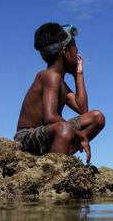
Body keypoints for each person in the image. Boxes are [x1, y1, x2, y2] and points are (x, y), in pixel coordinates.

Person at [15, 23, 105, 164]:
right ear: (65, 52)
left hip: (48, 134)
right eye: (76, 51)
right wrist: (79, 134)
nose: (78, 55)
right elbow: (51, 117)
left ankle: (60, 154)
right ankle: (56, 165)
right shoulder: (50, 77)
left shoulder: (60, 82)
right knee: (64, 129)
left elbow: (82, 109)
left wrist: (78, 74)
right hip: (27, 137)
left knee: (97, 117)